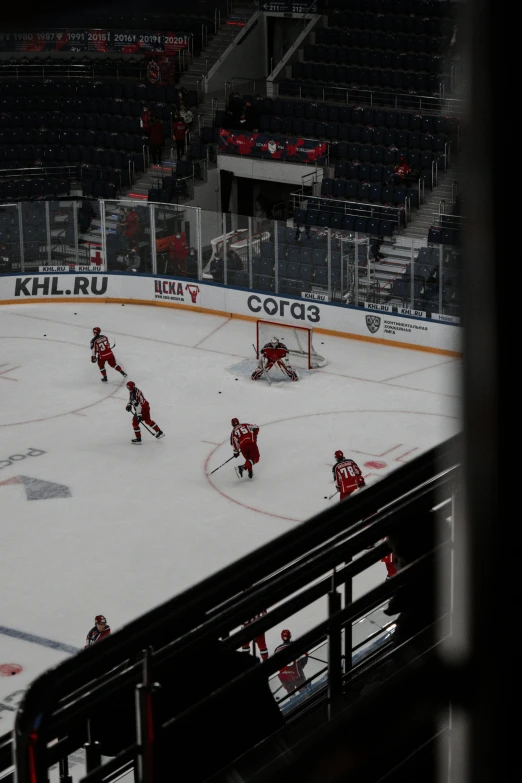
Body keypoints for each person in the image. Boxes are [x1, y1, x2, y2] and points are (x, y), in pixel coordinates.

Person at [274, 629, 309, 695]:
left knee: (291, 695)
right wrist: (301, 666)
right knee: (304, 692)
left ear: (282, 637)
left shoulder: (277, 650)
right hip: (296, 674)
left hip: (284, 677)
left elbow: (275, 665)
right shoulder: (295, 645)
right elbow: (305, 655)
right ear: (290, 636)